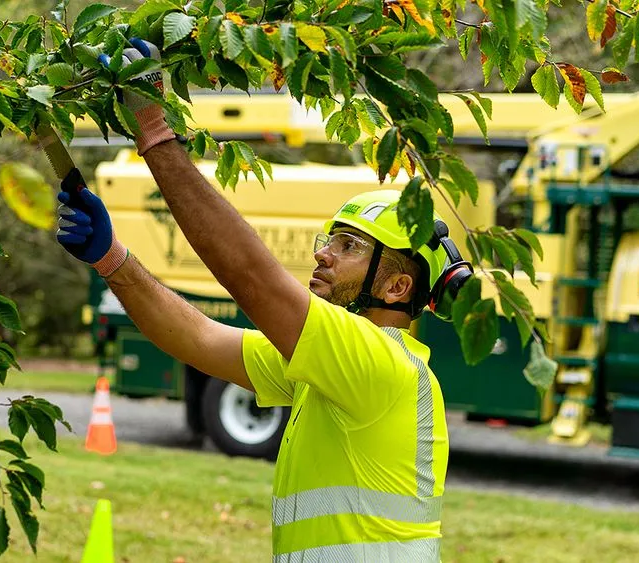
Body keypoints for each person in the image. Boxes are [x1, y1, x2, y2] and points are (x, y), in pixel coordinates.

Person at [55, 38, 460, 562]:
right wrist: (110, 257)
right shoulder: (334, 367)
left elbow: (249, 275)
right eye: (327, 240)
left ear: (396, 287)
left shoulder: (379, 363)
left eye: (349, 246)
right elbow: (198, 337)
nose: (323, 256)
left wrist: (154, 130)